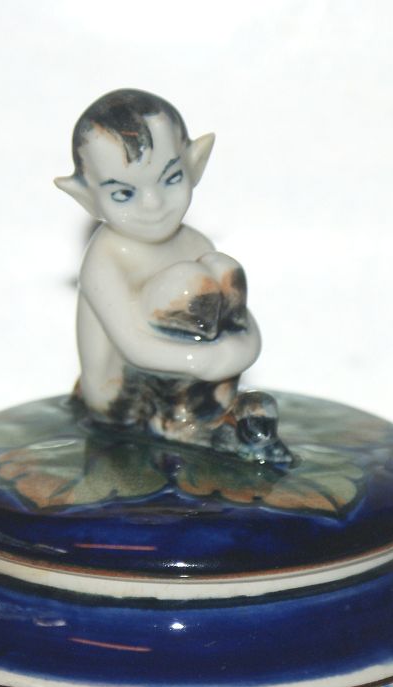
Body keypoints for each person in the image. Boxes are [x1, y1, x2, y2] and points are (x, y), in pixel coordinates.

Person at [55, 89, 290, 466]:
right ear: (86, 197)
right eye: (123, 193)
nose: (153, 203)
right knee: (187, 282)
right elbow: (135, 347)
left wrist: (240, 350)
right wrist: (206, 362)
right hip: (122, 398)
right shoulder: (106, 258)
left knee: (221, 269)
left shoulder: (195, 242)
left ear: (195, 164)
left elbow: (241, 322)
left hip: (197, 380)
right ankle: (183, 425)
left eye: (171, 178)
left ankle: (210, 417)